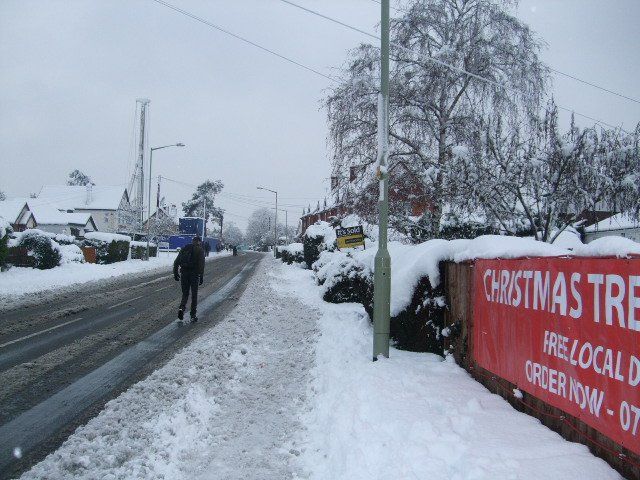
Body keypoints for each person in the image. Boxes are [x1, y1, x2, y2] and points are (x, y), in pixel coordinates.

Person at [173, 236, 206, 322]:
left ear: (193, 241)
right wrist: (201, 276)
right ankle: (193, 315)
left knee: (185, 294)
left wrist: (176, 273)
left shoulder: (184, 248)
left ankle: (181, 309)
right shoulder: (200, 250)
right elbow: (201, 265)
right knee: (194, 295)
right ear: (199, 242)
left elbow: (176, 262)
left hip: (184, 274)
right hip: (194, 275)